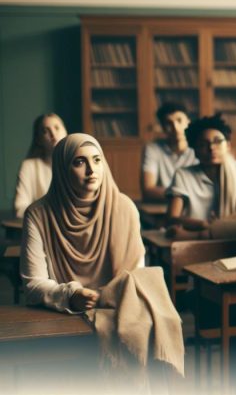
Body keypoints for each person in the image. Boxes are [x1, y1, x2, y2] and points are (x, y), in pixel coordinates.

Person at [20, 134, 183, 383]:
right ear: (63, 169)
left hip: (119, 306)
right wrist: (70, 294)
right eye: (79, 162)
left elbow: (133, 278)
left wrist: (107, 295)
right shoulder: (39, 214)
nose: (91, 171)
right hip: (62, 313)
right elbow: (32, 284)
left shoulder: (125, 208)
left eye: (97, 160)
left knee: (148, 323)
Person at [165, 114, 236, 239]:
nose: (211, 148)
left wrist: (215, 226)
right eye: (202, 144)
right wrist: (203, 224)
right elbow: (172, 218)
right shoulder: (183, 175)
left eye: (217, 141)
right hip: (195, 242)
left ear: (228, 146)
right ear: (194, 150)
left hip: (231, 238)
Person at [141, 101, 198, 203]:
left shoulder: (199, 148)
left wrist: (172, 193)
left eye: (179, 120)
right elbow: (148, 190)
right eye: (168, 123)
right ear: (162, 127)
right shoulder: (153, 149)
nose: (175, 128)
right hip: (161, 207)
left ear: (188, 122)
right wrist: (186, 194)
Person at [14, 112, 67, 217]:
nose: (53, 134)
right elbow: (19, 208)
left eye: (57, 128)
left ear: (65, 131)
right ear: (38, 140)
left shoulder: (77, 164)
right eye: (45, 131)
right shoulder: (29, 166)